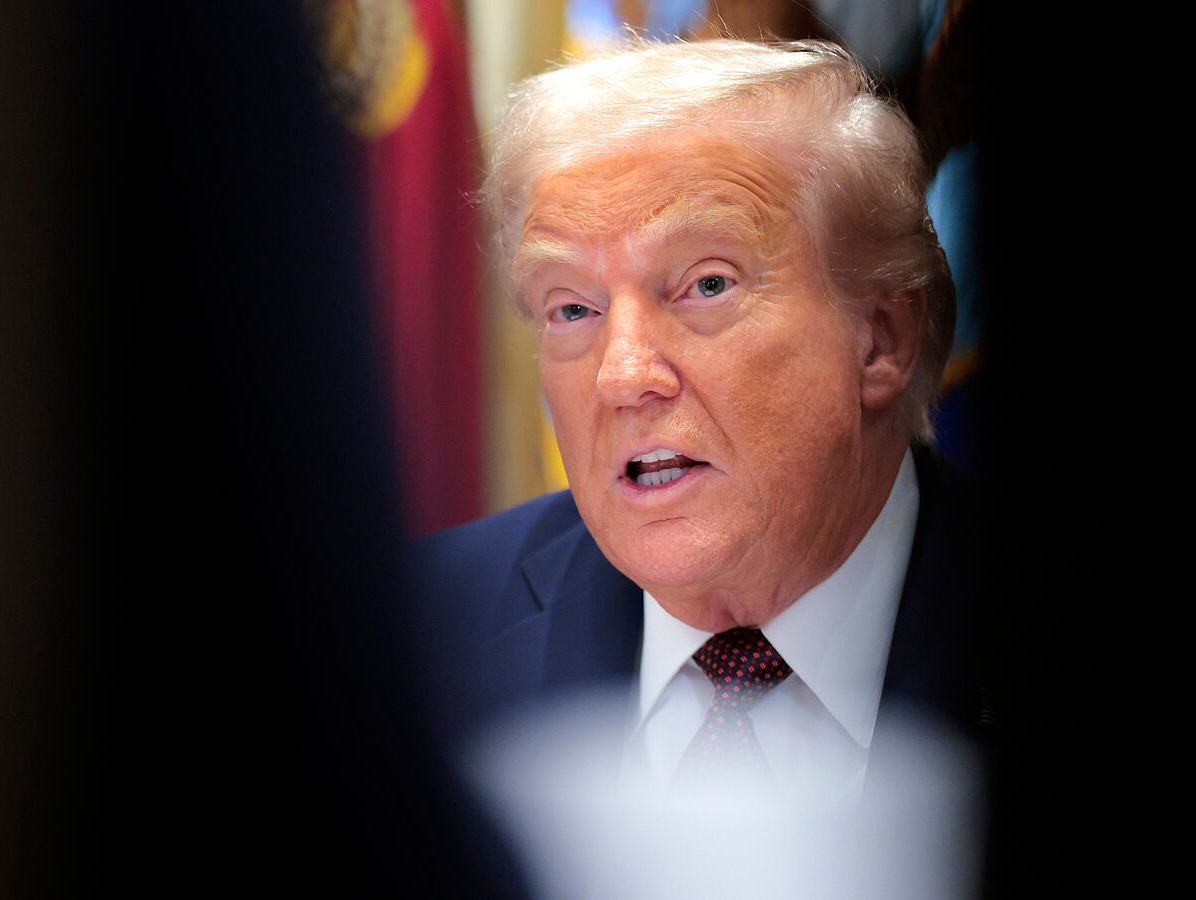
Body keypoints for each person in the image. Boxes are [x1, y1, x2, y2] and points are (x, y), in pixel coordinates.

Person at [404, 35, 1006, 880]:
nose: (621, 377)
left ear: (883, 338)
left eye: (706, 285)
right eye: (571, 308)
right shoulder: (411, 638)